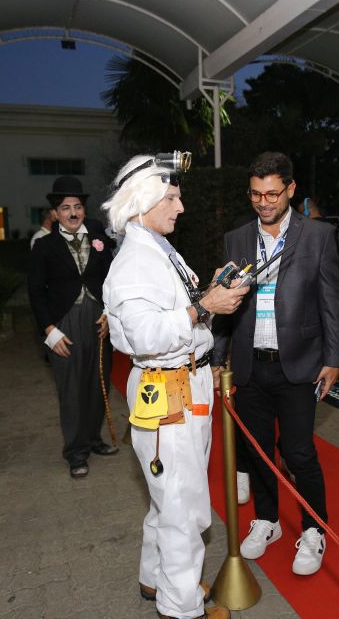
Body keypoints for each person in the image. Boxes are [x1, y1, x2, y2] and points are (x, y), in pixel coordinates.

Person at [102, 152, 247, 619]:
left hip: (183, 384)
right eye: (170, 198)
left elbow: (173, 311)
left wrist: (208, 295)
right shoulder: (134, 262)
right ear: (141, 201)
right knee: (183, 507)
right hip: (169, 389)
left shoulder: (157, 248)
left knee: (168, 498)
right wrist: (204, 307)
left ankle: (156, 578)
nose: (180, 207)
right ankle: (181, 606)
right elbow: (146, 336)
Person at [212, 151, 339, 576]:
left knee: (299, 452)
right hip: (251, 365)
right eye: (256, 194)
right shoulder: (236, 239)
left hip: (300, 364)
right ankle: (267, 520)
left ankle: (314, 529)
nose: (264, 202)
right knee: (256, 450)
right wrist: (217, 358)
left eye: (272, 193)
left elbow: (331, 301)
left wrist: (335, 358)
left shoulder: (317, 235)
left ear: (290, 189)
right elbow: (225, 306)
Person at [28, 175, 117, 478]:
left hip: (98, 318)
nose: (73, 213)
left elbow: (111, 280)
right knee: (71, 389)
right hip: (64, 322)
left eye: (77, 206)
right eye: (66, 208)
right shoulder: (44, 246)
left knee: (98, 381)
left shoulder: (99, 238)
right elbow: (35, 293)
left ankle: (93, 438)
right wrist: (49, 331)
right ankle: (76, 451)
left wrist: (110, 313)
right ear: (55, 213)